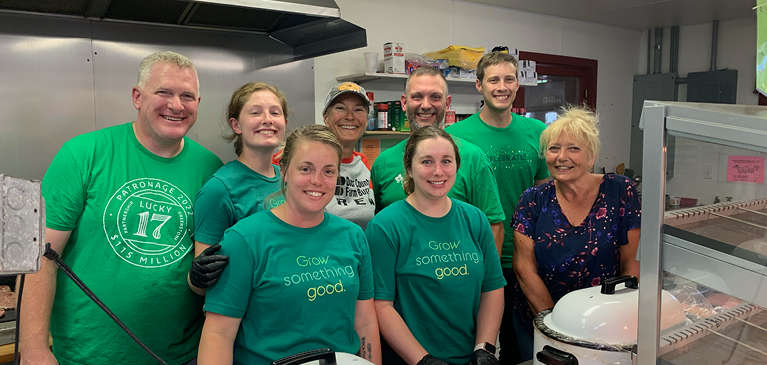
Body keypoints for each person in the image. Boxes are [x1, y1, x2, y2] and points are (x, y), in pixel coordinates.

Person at [20, 51, 223, 365]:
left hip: (182, 355)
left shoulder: (210, 168)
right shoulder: (83, 154)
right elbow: (39, 256)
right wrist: (33, 349)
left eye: (187, 96)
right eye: (164, 92)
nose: (176, 105)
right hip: (89, 356)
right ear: (137, 97)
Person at [198, 124, 381, 365]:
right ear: (284, 170)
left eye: (328, 171)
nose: (317, 181)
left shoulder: (353, 236)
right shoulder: (244, 239)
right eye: (306, 169)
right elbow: (218, 334)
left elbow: (365, 322)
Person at [366, 126, 505, 365]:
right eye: (427, 162)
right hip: (411, 359)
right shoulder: (385, 226)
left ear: (457, 166)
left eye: (446, 161)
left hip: (471, 356)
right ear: (409, 168)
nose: (438, 171)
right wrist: (424, 361)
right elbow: (381, 306)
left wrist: (484, 348)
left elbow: (491, 288)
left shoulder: (475, 219)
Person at [511, 106, 641, 360]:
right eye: (554, 148)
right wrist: (557, 327)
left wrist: (621, 315)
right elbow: (524, 269)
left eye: (573, 148)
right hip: (541, 321)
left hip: (603, 323)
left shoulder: (619, 190)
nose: (562, 157)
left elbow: (631, 262)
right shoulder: (533, 200)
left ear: (591, 157)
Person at [445, 51, 548, 364]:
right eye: (493, 79)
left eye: (508, 79)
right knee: (479, 344)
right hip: (479, 257)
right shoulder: (455, 137)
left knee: (524, 347)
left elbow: (545, 195)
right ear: (479, 85)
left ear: (517, 85)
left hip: (528, 259)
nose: (501, 86)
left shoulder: (538, 132)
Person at [370, 66, 506, 247]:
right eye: (417, 96)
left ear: (447, 103)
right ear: (404, 103)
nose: (426, 105)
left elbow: (494, 228)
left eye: (435, 97)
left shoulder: (473, 158)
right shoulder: (383, 163)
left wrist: (483, 275)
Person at [189, 82, 288, 292]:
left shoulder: (287, 178)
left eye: (275, 112)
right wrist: (197, 277)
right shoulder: (219, 189)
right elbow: (202, 286)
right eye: (255, 112)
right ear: (236, 125)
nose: (267, 119)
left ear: (284, 122)